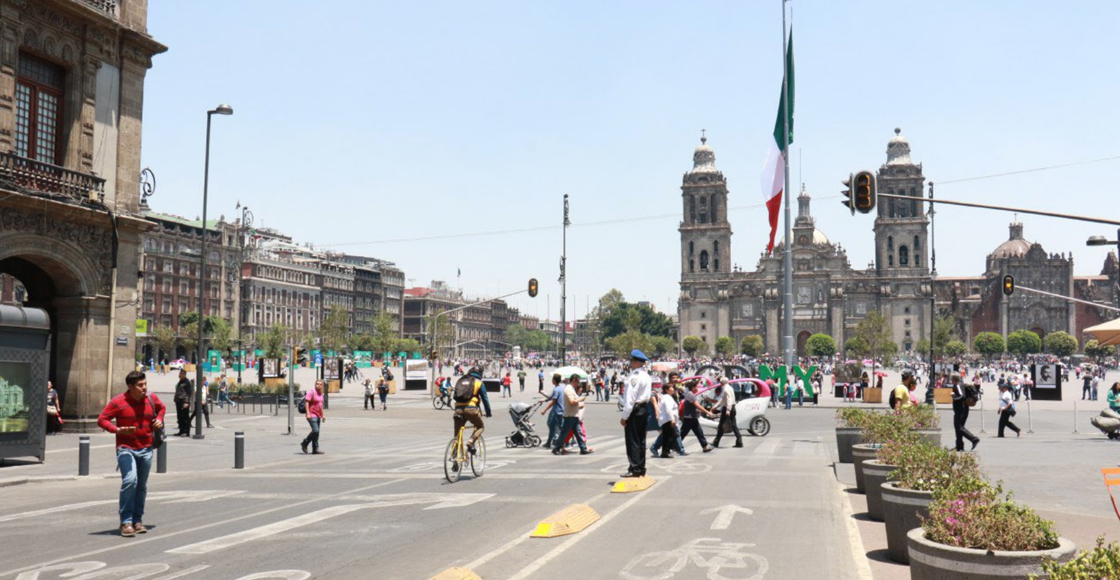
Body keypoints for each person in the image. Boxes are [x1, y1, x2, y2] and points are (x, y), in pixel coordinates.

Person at [97, 371, 165, 538]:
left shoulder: (151, 398)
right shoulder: (118, 402)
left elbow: (162, 408)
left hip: (146, 447)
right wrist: (117, 429)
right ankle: (126, 521)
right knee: (130, 480)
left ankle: (137, 520)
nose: (144, 388)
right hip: (125, 447)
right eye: (140, 385)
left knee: (141, 485)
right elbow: (102, 419)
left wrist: (160, 420)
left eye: (145, 384)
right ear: (130, 387)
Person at [619, 349, 653, 478]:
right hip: (644, 408)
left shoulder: (634, 377)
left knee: (632, 440)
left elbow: (630, 400)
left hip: (635, 410)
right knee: (641, 440)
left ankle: (634, 468)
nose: (630, 363)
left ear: (635, 362)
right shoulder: (646, 375)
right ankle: (641, 468)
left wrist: (624, 417)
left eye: (632, 361)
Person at [453, 366, 492, 454]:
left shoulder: (460, 380)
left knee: (457, 435)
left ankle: (454, 459)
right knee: (480, 426)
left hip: (458, 409)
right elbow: (485, 399)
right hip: (471, 409)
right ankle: (471, 441)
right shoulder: (478, 382)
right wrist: (488, 412)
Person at [553, 373, 594, 455]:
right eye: (578, 381)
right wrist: (581, 398)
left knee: (579, 433)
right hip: (569, 416)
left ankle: (583, 448)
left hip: (574, 415)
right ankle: (556, 448)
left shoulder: (571, 389)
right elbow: (572, 401)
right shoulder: (569, 389)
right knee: (564, 434)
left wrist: (579, 405)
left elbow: (573, 402)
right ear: (574, 380)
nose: (579, 383)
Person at [679, 379, 715, 452]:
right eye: (696, 387)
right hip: (689, 417)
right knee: (683, 433)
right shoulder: (690, 394)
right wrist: (708, 412)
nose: (697, 388)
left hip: (692, 417)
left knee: (699, 432)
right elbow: (697, 406)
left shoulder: (691, 394)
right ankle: (674, 446)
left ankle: (705, 447)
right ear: (692, 387)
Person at [950, 375, 980, 451]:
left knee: (959, 427)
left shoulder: (958, 385)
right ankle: (959, 446)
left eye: (951, 379)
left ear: (953, 380)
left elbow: (962, 396)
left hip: (961, 409)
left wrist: (954, 397)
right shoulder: (959, 384)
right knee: (959, 427)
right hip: (962, 409)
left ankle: (974, 439)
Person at [712, 377, 743, 448]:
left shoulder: (725, 389)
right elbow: (723, 399)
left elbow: (729, 399)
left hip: (727, 408)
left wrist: (728, 410)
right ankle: (739, 441)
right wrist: (716, 406)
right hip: (732, 407)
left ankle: (716, 442)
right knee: (733, 425)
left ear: (721, 383)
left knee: (721, 425)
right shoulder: (729, 387)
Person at [653, 381, 681, 458]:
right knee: (674, 434)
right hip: (667, 420)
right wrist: (672, 419)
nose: (673, 389)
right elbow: (668, 409)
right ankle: (667, 450)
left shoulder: (667, 397)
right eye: (671, 387)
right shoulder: (667, 397)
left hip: (666, 419)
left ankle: (665, 452)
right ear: (666, 390)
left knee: (666, 436)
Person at [301, 380, 326, 454]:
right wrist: (308, 413)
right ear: (315, 384)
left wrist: (322, 415)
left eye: (320, 384)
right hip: (312, 415)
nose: (318, 385)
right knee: (315, 430)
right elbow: (307, 402)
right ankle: (305, 442)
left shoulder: (321, 394)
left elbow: (320, 406)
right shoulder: (311, 392)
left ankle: (315, 449)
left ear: (322, 386)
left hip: (318, 415)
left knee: (317, 433)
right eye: (317, 384)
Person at [541, 373, 565, 448]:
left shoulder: (556, 389)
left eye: (552, 379)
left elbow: (553, 401)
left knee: (561, 428)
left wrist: (544, 410)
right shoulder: (560, 388)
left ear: (554, 380)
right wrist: (544, 400)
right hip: (556, 412)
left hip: (559, 411)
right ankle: (548, 442)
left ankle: (563, 443)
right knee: (551, 426)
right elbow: (551, 397)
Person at [173, 370, 192, 437]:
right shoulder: (180, 382)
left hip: (184, 402)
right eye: (179, 373)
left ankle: (186, 432)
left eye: (181, 374)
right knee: (180, 417)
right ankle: (181, 431)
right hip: (179, 401)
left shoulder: (187, 382)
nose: (179, 375)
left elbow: (189, 393)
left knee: (185, 417)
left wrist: (186, 402)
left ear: (184, 374)